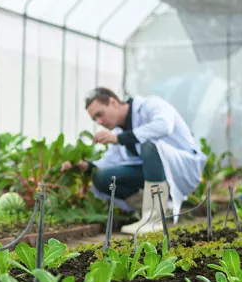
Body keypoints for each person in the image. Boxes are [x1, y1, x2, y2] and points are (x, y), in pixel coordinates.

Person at [61, 87, 206, 234]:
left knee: (150, 146)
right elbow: (110, 161)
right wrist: (84, 166)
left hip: (182, 168)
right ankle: (158, 210)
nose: (99, 122)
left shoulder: (151, 105)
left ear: (113, 102)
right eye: (94, 119)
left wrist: (119, 139)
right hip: (155, 174)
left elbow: (164, 126)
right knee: (102, 177)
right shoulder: (119, 130)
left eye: (100, 114)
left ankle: (153, 220)